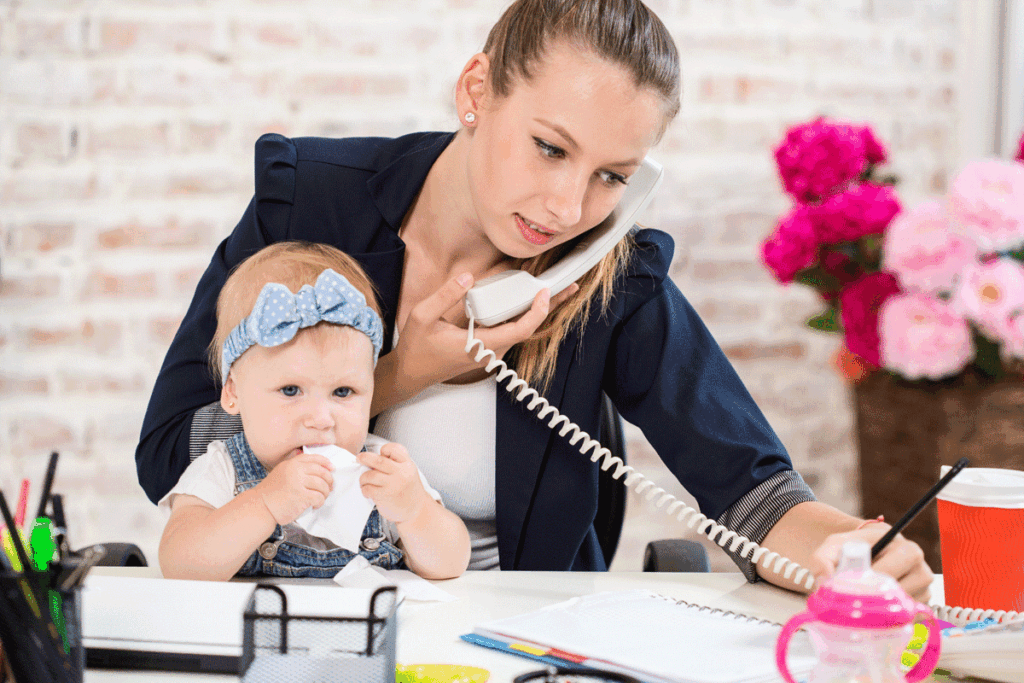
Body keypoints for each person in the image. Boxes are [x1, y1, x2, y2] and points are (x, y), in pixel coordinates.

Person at [138, 0, 933, 599]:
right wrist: (398, 373)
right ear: (477, 90)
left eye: (611, 176)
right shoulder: (308, 203)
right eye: (550, 147)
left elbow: (751, 490)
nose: (564, 205)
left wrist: (847, 551)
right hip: (310, 628)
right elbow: (172, 449)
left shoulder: (608, 276)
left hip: (518, 640)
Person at [157, 242, 471, 581]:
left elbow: (451, 564)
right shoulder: (223, 471)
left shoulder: (378, 470)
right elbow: (180, 563)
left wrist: (414, 511)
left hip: (363, 630)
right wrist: (264, 503)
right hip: (260, 628)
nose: (321, 419)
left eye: (343, 392)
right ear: (233, 392)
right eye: (291, 391)